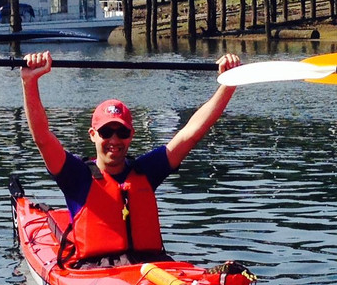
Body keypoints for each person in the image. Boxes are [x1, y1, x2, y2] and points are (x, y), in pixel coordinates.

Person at [21, 50, 241, 266]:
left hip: (151, 267)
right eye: (106, 132)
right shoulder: (76, 176)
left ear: (131, 135)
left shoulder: (146, 170)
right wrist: (30, 82)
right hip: (96, 272)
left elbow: (190, 133)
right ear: (93, 135)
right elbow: (42, 137)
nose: (114, 140)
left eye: (122, 132)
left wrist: (228, 84)